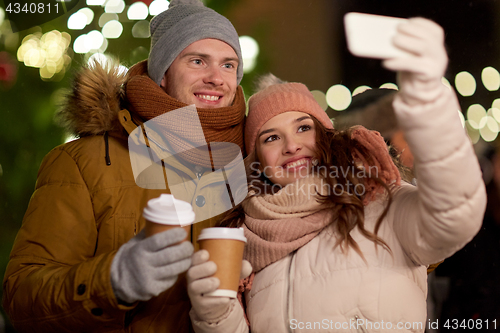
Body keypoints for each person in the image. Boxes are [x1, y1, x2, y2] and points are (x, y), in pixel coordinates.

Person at [186, 18, 486, 332]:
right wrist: (216, 316)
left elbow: (454, 213)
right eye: (271, 138)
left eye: (304, 127)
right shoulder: (249, 237)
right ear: (257, 159)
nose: (291, 145)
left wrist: (428, 104)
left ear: (326, 136)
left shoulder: (378, 202)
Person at [2, 0, 248, 332]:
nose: (216, 78)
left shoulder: (253, 162)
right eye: (197, 61)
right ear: (162, 74)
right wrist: (113, 281)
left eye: (229, 65)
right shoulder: (83, 163)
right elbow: (21, 298)